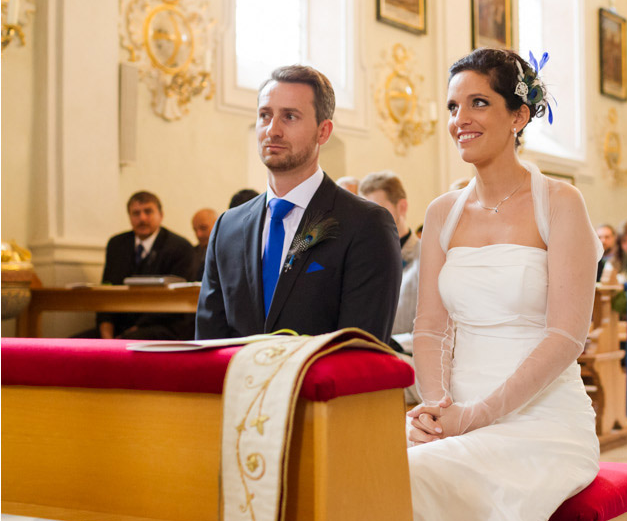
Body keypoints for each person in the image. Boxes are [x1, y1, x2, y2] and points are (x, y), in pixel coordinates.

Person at [405, 48, 602, 521]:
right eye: (453, 107)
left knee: (412, 478)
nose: (460, 119)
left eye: (478, 103)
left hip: (540, 420)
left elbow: (565, 337)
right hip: (453, 413)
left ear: (519, 115)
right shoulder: (441, 213)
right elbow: (429, 328)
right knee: (355, 469)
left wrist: (477, 416)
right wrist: (434, 409)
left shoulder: (560, 202)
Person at [195, 65, 401, 341]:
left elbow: (360, 349)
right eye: (264, 115)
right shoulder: (227, 228)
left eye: (290, 117)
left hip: (319, 383)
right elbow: (209, 341)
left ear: (323, 132)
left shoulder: (365, 225)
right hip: (238, 383)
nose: (272, 130)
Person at [89, 191, 196, 338]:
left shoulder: (179, 247)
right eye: (136, 213)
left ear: (161, 215)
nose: (142, 218)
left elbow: (176, 298)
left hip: (162, 324)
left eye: (148, 211)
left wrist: (136, 329)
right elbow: (107, 289)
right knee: (71, 345)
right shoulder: (117, 245)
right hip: (120, 325)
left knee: (130, 340)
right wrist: (106, 329)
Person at [359, 170, 420, 341]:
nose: (368, 219)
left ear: (402, 207)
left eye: (377, 210)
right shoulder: (360, 258)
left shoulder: (425, 257)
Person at [190, 207, 217, 280]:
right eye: (195, 230)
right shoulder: (191, 254)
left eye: (203, 228)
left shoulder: (231, 252)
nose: (198, 235)